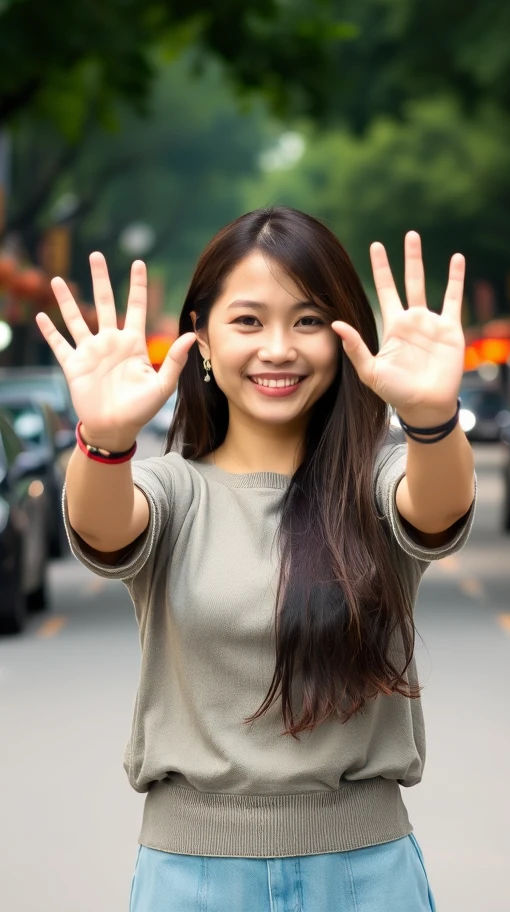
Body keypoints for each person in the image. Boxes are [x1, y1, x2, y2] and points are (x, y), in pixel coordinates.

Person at [36, 206, 476, 912]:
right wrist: (106, 439)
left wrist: (431, 419)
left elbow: (438, 506)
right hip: (192, 880)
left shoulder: (374, 483)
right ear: (202, 340)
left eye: (307, 321)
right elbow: (104, 525)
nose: (279, 348)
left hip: (367, 877)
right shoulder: (171, 490)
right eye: (247, 321)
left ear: (343, 342)